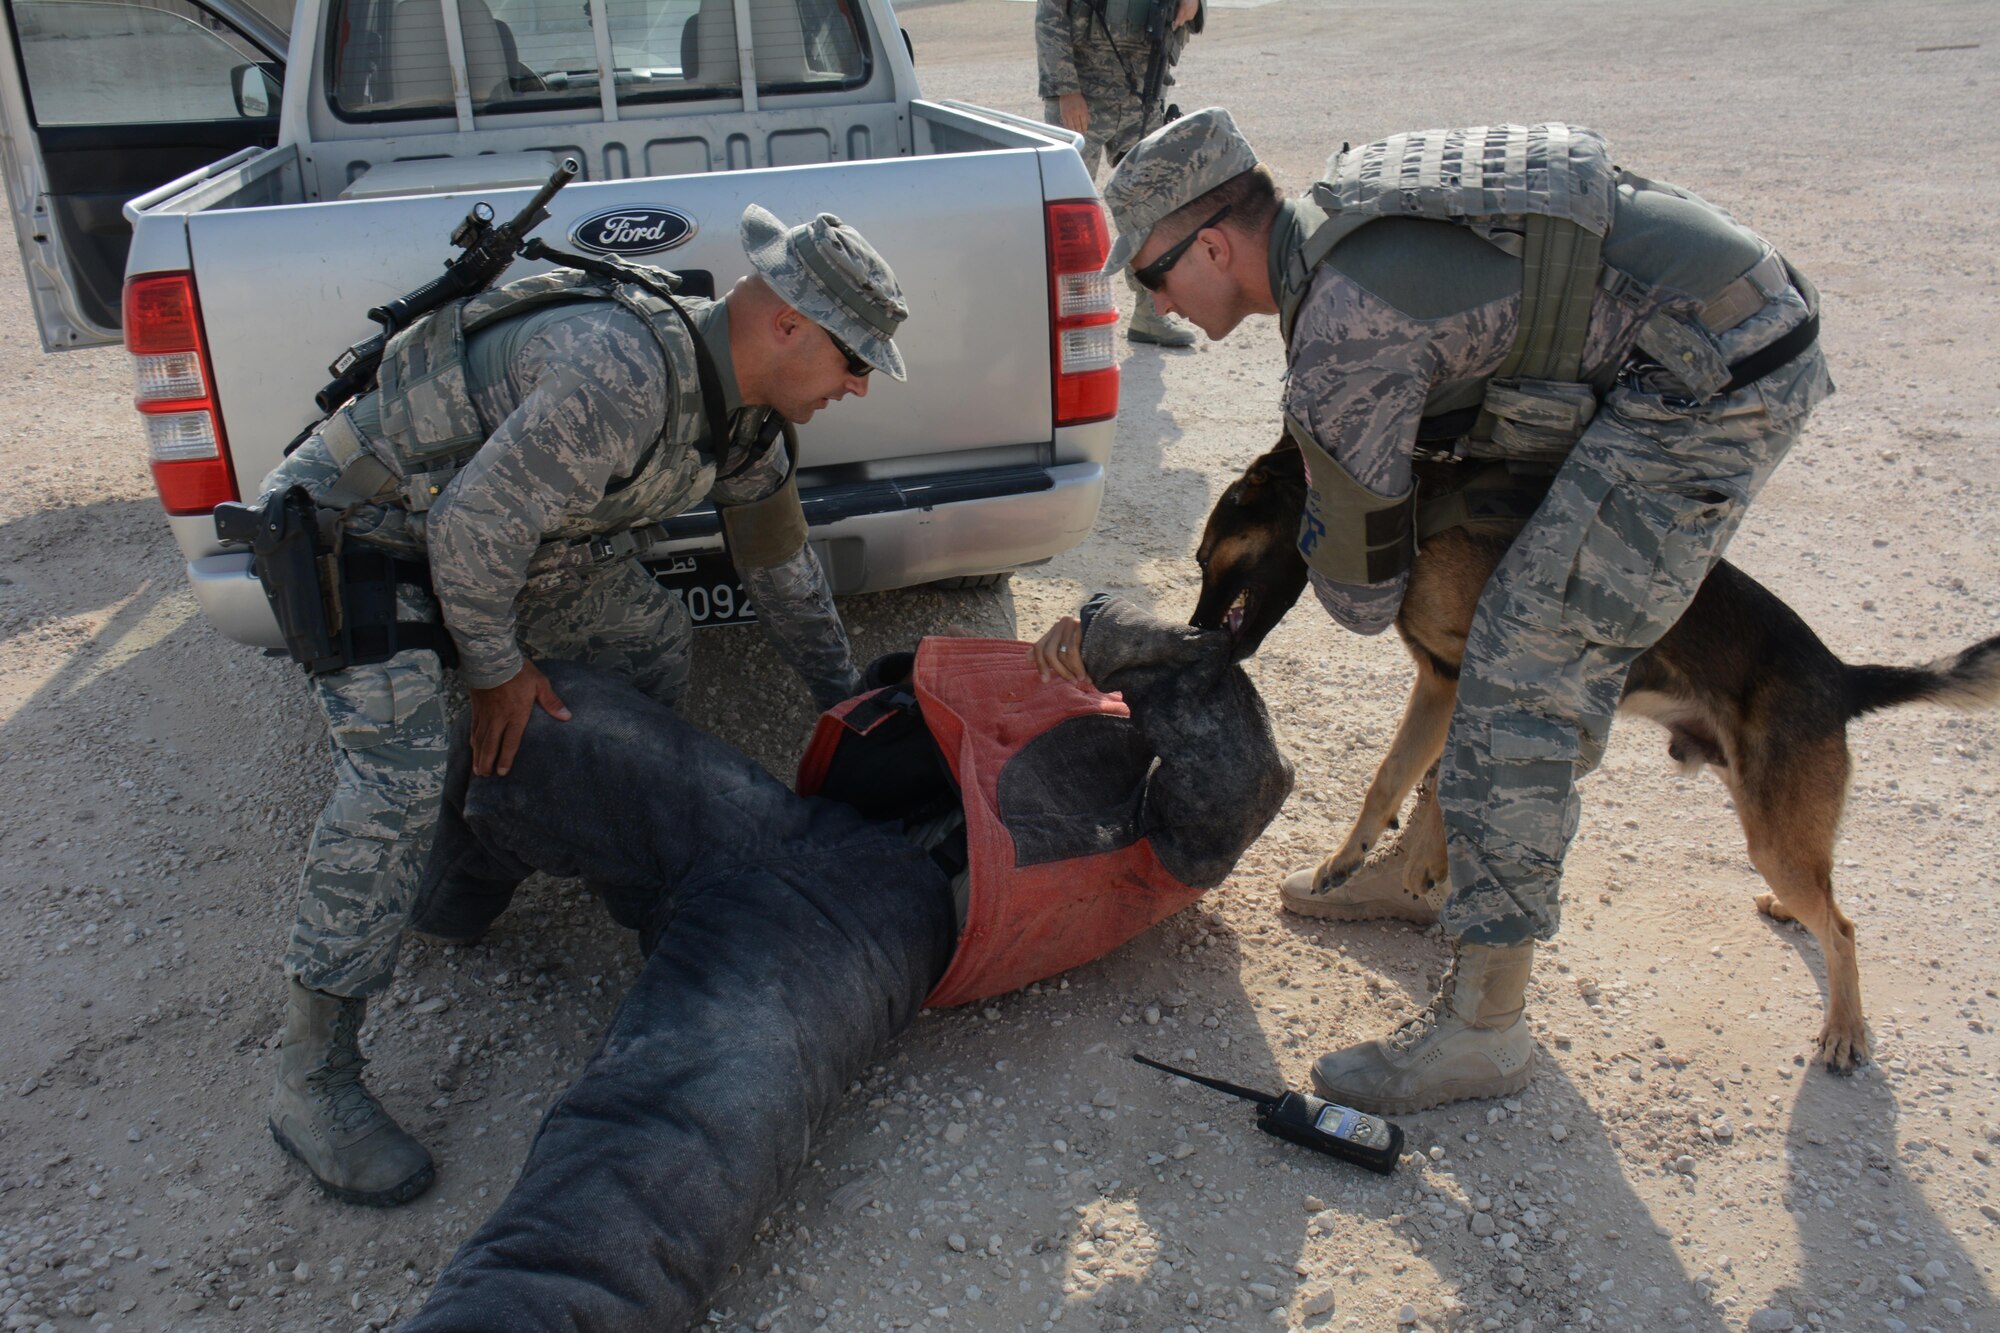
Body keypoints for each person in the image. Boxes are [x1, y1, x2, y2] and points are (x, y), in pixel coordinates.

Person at [1098, 110, 1832, 1113]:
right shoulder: (1331, 229)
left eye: (1148, 275)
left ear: (1213, 244)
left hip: (1711, 375)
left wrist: (1346, 511)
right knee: (1489, 605)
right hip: (1709, 313)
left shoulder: (1339, 336)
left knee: (1521, 669)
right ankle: (1414, 870)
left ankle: (1484, 1028)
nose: (1154, 303)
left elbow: (1359, 599)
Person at [395, 596, 1292, 1330]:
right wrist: (1097, 652)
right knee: (554, 715)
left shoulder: (1173, 836)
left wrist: (1118, 637)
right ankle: (449, 907)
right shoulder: (1089, 701)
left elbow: (1244, 772)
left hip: (867, 922)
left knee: (667, 1131)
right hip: (784, 824)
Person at [253, 205, 910, 1206]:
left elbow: (780, 571)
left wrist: (848, 706)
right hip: (365, 531)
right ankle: (311, 1072)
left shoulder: (740, 412)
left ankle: (479, 862)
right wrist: (494, 672)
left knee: (644, 637)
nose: (860, 385)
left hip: (495, 538)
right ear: (786, 325)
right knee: (397, 767)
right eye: (853, 357)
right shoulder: (622, 372)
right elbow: (470, 532)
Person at [1037, 0, 1204, 346]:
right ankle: (1070, 318)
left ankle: (1149, 313)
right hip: (1083, 95)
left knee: (1150, 209)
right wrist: (1066, 90)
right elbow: (1050, 16)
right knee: (1069, 214)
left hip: (1140, 94)